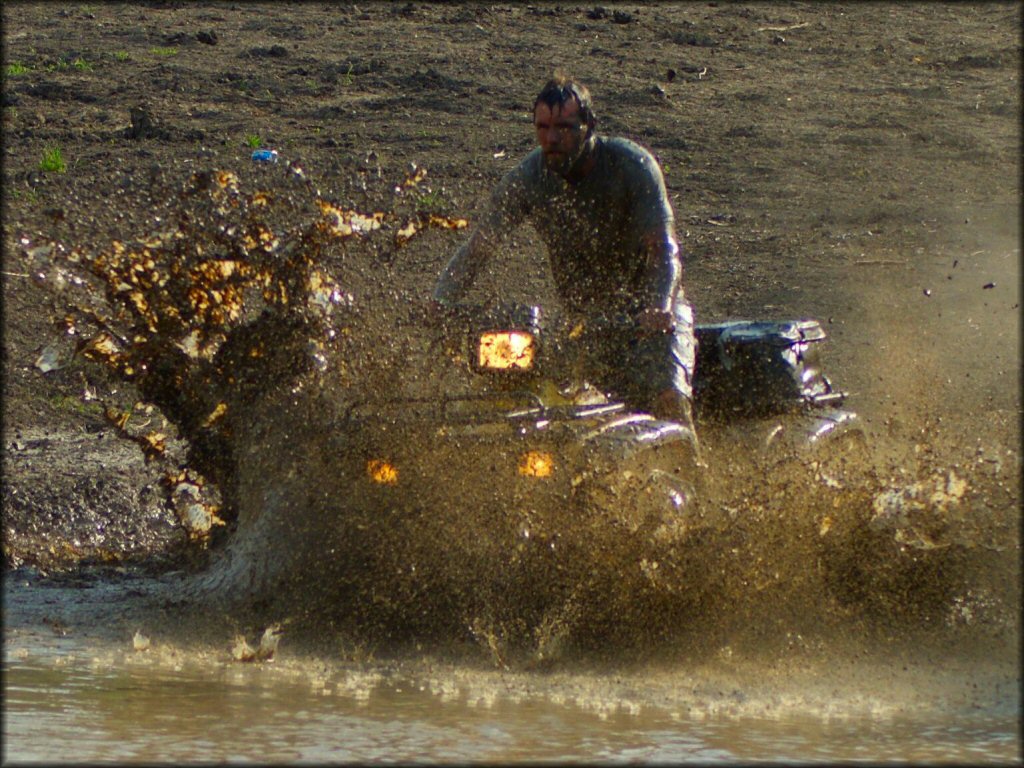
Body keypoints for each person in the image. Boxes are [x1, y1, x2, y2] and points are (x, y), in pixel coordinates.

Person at [433, 75, 696, 431]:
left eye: (564, 128)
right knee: (534, 405)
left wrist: (660, 306)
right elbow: (478, 247)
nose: (552, 140)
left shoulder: (632, 166)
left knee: (668, 397)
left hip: (651, 319)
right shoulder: (528, 178)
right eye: (542, 128)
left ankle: (694, 474)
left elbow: (664, 250)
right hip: (583, 324)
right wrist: (440, 302)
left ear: (590, 127)